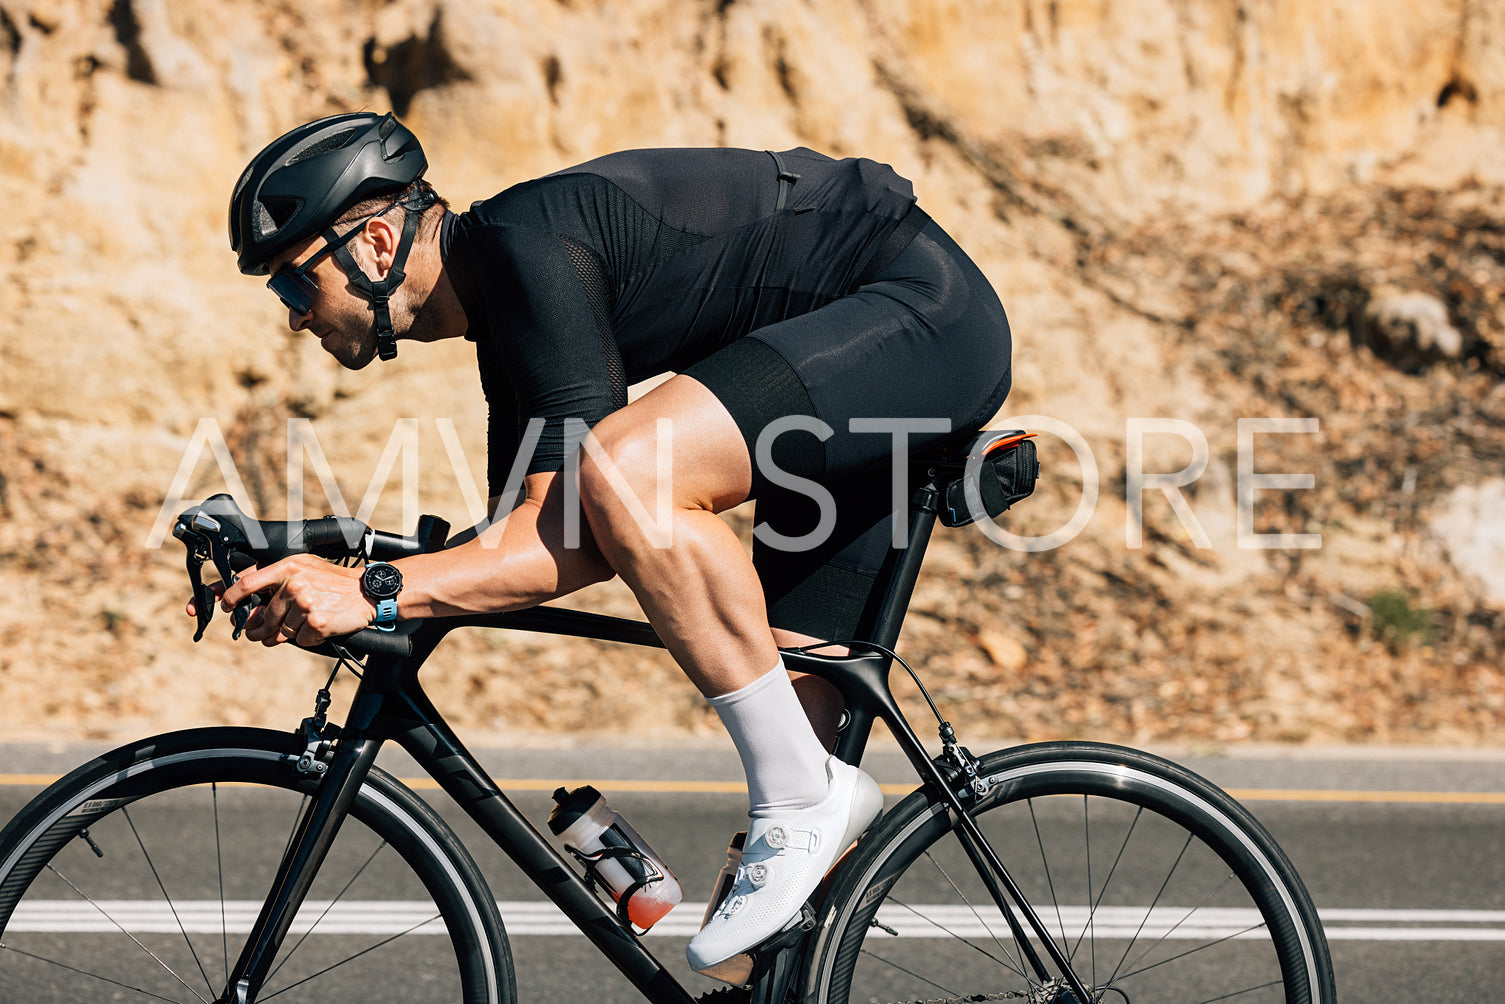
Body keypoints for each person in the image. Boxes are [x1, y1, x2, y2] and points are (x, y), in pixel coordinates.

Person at [219, 111, 1012, 977]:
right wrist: (339, 565)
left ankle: (804, 795)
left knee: (629, 466)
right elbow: (529, 544)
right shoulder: (507, 313)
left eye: (294, 288)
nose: (296, 319)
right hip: (827, 407)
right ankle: (801, 816)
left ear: (375, 243)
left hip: (920, 319)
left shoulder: (529, 250)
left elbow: (588, 519)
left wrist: (372, 590)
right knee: (757, 953)